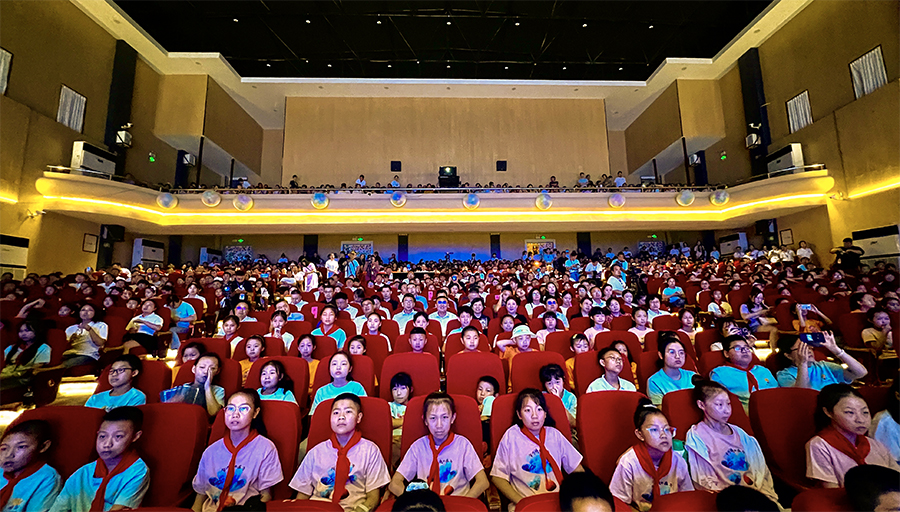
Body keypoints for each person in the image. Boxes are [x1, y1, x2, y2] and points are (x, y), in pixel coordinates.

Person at [289, 393, 391, 511]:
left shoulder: (370, 451)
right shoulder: (316, 452)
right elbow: (302, 495)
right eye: (336, 412)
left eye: (348, 412)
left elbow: (373, 497)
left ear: (358, 417)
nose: (341, 417)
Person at [685, 380, 778, 503]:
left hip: (755, 495)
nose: (727, 410)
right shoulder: (696, 436)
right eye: (719, 405)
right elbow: (702, 479)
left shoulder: (741, 434)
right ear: (701, 405)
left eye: (728, 404)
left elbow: (760, 470)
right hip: (726, 500)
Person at [191, 389, 282, 511]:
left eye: (243, 408)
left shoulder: (265, 448)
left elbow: (266, 496)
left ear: (255, 413)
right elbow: (200, 496)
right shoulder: (211, 451)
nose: (235, 414)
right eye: (231, 408)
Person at [491, 389, 584, 503]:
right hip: (526, 502)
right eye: (527, 410)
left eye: (539, 409)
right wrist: (521, 502)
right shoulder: (511, 436)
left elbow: (577, 469)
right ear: (519, 414)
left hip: (557, 502)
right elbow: (498, 477)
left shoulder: (554, 434)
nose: (534, 415)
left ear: (545, 414)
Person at [50, 407, 150, 511]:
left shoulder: (137, 471)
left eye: (118, 436)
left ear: (135, 436)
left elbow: (118, 509)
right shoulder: (83, 473)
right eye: (103, 436)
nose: (107, 444)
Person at [389, 393, 488, 497]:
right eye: (433, 418)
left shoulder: (463, 444)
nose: (439, 425)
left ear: (453, 418)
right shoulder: (418, 446)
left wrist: (467, 503)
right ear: (425, 420)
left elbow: (483, 482)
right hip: (427, 506)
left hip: (458, 502)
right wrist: (413, 502)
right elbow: (394, 484)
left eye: (445, 417)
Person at [806, 384, 899, 487]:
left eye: (865, 412)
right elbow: (831, 492)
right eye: (850, 412)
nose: (861, 420)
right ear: (828, 412)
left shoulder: (874, 444)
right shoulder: (819, 445)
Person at [609, 399, 692, 510]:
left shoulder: (677, 460)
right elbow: (619, 502)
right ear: (640, 434)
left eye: (667, 429)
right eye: (654, 429)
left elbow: (687, 497)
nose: (663, 434)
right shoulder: (629, 462)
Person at [0, 419, 62, 511]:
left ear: (43, 447)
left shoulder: (47, 478)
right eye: (4, 448)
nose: (9, 455)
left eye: (21, 447)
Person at [709, 335, 778, 412]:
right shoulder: (719, 373)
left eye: (746, 347)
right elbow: (719, 404)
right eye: (737, 348)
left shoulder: (763, 370)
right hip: (743, 415)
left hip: (774, 411)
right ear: (726, 353)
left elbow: (778, 393)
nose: (744, 350)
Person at [774, 333, 867, 389]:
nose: (809, 350)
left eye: (809, 346)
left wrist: (836, 350)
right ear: (788, 355)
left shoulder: (824, 366)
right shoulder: (784, 375)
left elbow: (861, 373)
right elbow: (802, 393)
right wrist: (802, 364)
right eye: (802, 348)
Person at [162, 353, 225, 417]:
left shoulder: (218, 390)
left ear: (217, 371)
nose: (206, 371)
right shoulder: (182, 388)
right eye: (202, 367)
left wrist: (207, 387)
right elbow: (164, 409)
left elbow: (214, 413)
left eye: (212, 369)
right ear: (194, 369)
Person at [309, 352, 367, 416]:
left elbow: (364, 413)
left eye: (343, 364)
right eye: (334, 364)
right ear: (329, 369)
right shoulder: (321, 392)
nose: (338, 367)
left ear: (350, 368)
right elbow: (314, 417)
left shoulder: (357, 388)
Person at [647, 334, 697, 406]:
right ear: (661, 355)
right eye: (672, 352)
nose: (678, 356)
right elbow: (660, 409)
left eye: (681, 353)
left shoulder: (692, 376)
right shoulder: (654, 381)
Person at [1, 321, 51, 393]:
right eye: (21, 331)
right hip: (6, 374)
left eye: (27, 331)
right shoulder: (13, 347)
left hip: (23, 378)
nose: (23, 334)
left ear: (36, 331)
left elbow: (37, 367)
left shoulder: (43, 347)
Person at [61, 304, 108, 368]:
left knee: (65, 365)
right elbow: (64, 346)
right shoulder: (71, 328)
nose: (86, 312)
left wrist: (90, 330)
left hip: (89, 354)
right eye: (83, 310)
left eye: (90, 310)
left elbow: (100, 343)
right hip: (70, 353)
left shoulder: (101, 325)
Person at [540, 364, 577, 428]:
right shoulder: (542, 396)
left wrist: (558, 401)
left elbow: (573, 423)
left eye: (557, 382)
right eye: (549, 384)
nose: (554, 387)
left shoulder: (571, 398)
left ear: (563, 381)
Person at [389, 372, 413, 466]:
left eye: (403, 388)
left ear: (410, 389)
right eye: (395, 389)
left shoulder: (414, 406)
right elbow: (390, 423)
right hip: (393, 439)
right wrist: (407, 422)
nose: (398, 393)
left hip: (410, 438)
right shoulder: (389, 406)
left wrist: (398, 423)